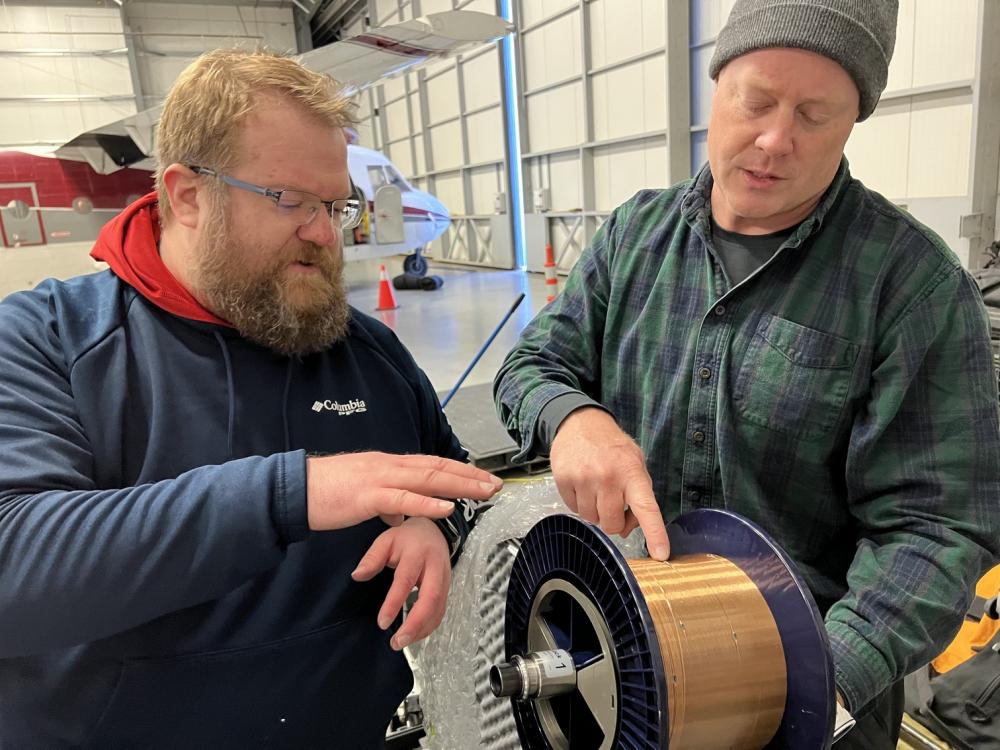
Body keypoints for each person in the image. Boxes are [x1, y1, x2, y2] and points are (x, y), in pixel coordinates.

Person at [495, 0, 1000, 746]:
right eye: (755, 100)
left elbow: (937, 528)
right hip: (633, 670)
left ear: (855, 118)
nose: (774, 139)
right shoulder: (635, 237)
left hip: (812, 709)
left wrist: (805, 688)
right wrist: (574, 418)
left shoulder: (910, 286)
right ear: (717, 84)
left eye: (814, 114)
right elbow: (533, 365)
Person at [0, 48, 503, 747]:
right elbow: (13, 565)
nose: (327, 233)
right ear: (186, 195)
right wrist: (288, 494)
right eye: (291, 201)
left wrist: (433, 533)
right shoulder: (45, 341)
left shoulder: (365, 350)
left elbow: (461, 492)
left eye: (335, 204)